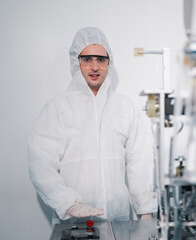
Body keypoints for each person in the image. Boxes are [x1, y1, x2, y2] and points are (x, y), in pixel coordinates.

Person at [28, 27, 156, 223]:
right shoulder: (58, 109)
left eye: (101, 59)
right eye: (87, 59)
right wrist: (69, 204)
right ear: (76, 62)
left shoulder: (124, 108)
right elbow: (41, 165)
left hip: (118, 222)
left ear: (108, 62)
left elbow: (140, 163)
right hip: (72, 223)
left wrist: (145, 212)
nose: (94, 67)